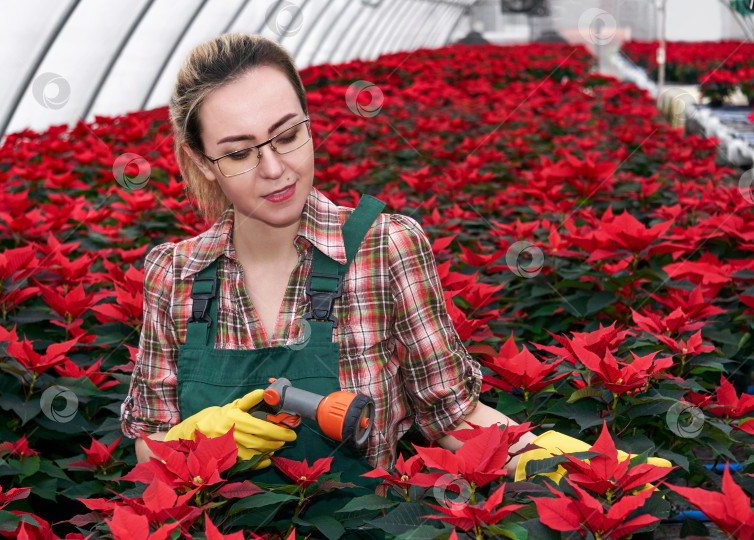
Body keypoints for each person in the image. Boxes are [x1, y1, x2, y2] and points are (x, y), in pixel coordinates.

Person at [118, 33, 668, 525]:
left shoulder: (384, 248)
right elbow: (148, 444)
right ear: (204, 161)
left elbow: (454, 417)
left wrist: (580, 466)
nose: (274, 168)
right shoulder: (178, 275)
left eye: (288, 135)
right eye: (239, 152)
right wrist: (184, 444)